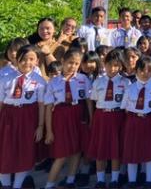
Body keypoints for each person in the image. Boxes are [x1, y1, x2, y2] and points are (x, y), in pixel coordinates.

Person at [44, 49, 92, 189]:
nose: (73, 66)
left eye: (76, 63)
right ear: (63, 61)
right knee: (62, 153)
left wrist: (91, 119)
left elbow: (88, 101)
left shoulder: (83, 79)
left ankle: (70, 181)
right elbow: (48, 107)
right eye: (70, 62)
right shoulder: (54, 82)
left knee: (76, 149)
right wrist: (49, 131)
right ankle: (49, 184)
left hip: (78, 115)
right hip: (61, 117)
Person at [0, 45, 46, 189]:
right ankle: (5, 184)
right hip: (8, 117)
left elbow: (41, 106)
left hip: (28, 118)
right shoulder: (5, 78)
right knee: (5, 152)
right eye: (24, 59)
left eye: (31, 59)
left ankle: (18, 185)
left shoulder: (39, 81)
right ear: (17, 59)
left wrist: (40, 126)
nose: (27, 63)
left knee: (24, 152)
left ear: (37, 60)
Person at [87, 48, 130, 189]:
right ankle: (100, 180)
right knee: (101, 149)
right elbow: (93, 100)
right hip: (102, 117)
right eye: (109, 64)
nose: (112, 68)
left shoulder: (125, 82)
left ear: (121, 66)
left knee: (115, 149)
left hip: (118, 117)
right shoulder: (98, 82)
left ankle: (115, 180)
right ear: (104, 64)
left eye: (116, 65)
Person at [121, 57, 151, 187]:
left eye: (149, 70)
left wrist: (150, 114)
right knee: (132, 151)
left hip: (150, 121)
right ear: (136, 71)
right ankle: (132, 180)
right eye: (142, 70)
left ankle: (149, 180)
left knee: (150, 151)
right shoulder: (130, 88)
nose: (145, 73)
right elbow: (125, 107)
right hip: (133, 121)